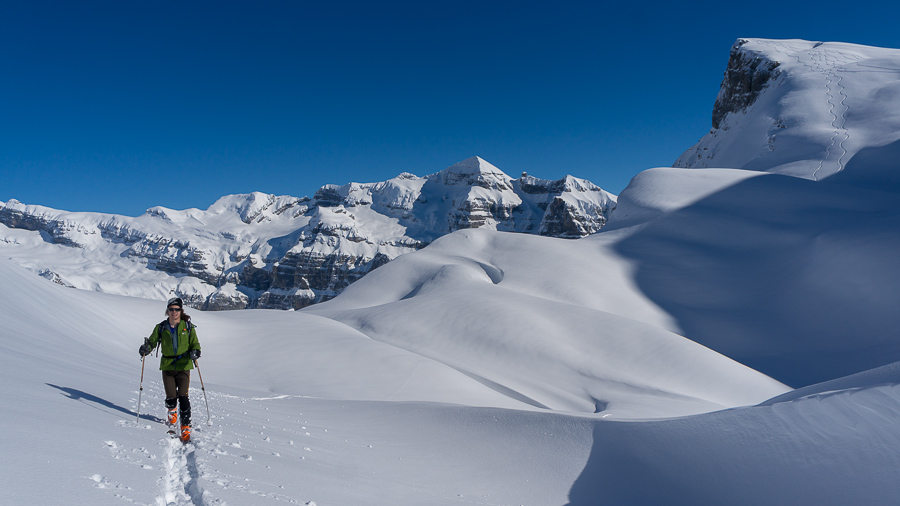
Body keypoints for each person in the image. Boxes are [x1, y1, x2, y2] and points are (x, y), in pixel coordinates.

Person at [139, 297, 201, 441]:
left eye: (177, 309)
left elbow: (195, 343)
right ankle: (172, 412)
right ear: (168, 311)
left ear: (181, 311)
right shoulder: (161, 327)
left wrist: (196, 352)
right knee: (171, 397)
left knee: (184, 396)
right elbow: (152, 341)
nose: (174, 312)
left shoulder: (188, 327)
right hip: (167, 365)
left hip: (184, 365)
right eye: (172, 309)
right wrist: (146, 348)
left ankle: (185, 427)